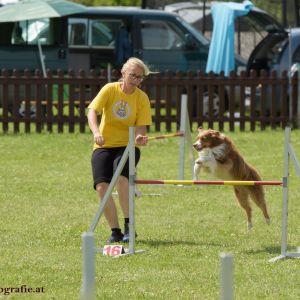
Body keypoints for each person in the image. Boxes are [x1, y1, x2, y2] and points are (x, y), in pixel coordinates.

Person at [87, 57, 152, 243]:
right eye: (133, 75)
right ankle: (115, 231)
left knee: (122, 179)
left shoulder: (142, 98)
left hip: (128, 146)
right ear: (123, 74)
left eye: (140, 77)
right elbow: (92, 111)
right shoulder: (109, 89)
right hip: (104, 144)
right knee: (101, 187)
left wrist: (139, 137)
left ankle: (129, 226)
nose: (136, 80)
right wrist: (96, 131)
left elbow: (141, 127)